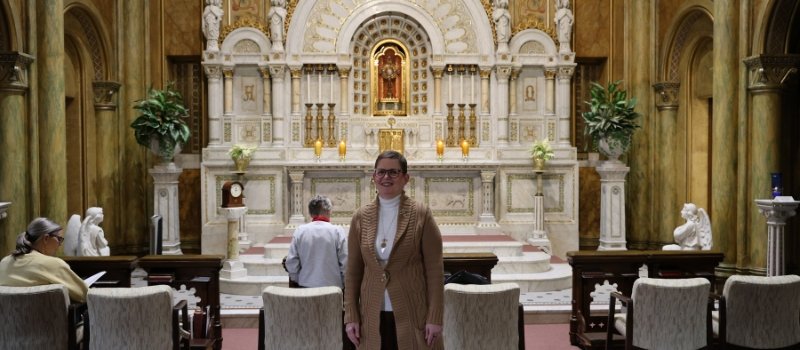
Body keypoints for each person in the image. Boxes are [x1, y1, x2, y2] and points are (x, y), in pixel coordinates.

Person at [344, 150, 444, 350]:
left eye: (393, 172)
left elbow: (434, 271)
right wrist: (351, 316)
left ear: (406, 178)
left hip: (413, 312)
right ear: (374, 177)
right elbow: (353, 272)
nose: (386, 177)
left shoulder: (421, 214)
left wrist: (435, 317)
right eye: (381, 172)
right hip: (372, 314)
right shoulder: (360, 217)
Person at [0, 217, 88, 303]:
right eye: (59, 239)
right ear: (46, 238)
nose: (60, 245)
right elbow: (85, 295)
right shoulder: (54, 264)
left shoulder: (3, 263)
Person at [284, 195, 348, 288]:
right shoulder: (337, 231)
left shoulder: (300, 231)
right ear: (329, 211)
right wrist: (341, 281)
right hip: (332, 287)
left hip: (305, 286)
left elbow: (291, 261)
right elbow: (345, 261)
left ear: (310, 213)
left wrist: (299, 279)